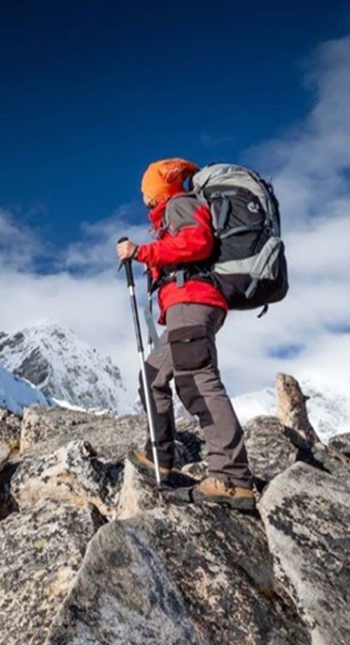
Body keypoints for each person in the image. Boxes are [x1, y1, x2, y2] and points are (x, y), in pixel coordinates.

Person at [116, 158, 256, 510]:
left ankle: (231, 477)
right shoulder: (173, 213)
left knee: (197, 381)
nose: (145, 200)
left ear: (157, 192)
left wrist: (142, 252)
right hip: (185, 307)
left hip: (192, 301)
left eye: (147, 193)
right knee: (153, 376)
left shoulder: (179, 205)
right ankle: (159, 455)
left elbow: (198, 243)